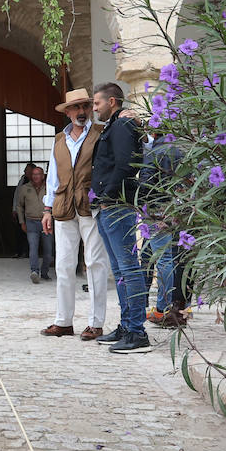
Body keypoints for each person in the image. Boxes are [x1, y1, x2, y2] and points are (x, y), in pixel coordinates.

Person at [39, 88, 109, 341]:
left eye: (85, 107)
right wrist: (47, 209)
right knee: (63, 264)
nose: (81, 112)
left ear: (90, 109)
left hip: (91, 205)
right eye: (76, 108)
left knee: (94, 262)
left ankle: (96, 322)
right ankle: (63, 321)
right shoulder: (60, 140)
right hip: (63, 206)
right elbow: (52, 178)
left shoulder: (101, 135)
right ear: (67, 112)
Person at [88, 83, 151, 355]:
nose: (94, 109)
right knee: (120, 270)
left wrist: (107, 193)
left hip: (117, 204)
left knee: (129, 268)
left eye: (96, 104)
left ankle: (137, 332)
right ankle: (127, 326)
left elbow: (127, 163)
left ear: (111, 101)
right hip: (107, 204)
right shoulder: (115, 125)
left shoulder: (124, 125)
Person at [137, 130, 187, 328]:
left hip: (156, 210)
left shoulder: (155, 150)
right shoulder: (180, 150)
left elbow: (147, 180)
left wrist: (143, 205)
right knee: (160, 257)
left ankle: (163, 309)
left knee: (161, 259)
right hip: (172, 209)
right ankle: (167, 307)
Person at [14, 165, 50, 282]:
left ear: (43, 176)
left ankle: (44, 272)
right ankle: (34, 271)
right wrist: (21, 222)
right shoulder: (24, 188)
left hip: (46, 222)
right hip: (31, 222)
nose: (36, 176)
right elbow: (19, 206)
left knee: (48, 250)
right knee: (33, 248)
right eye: (34, 174)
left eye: (38, 174)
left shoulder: (49, 187)